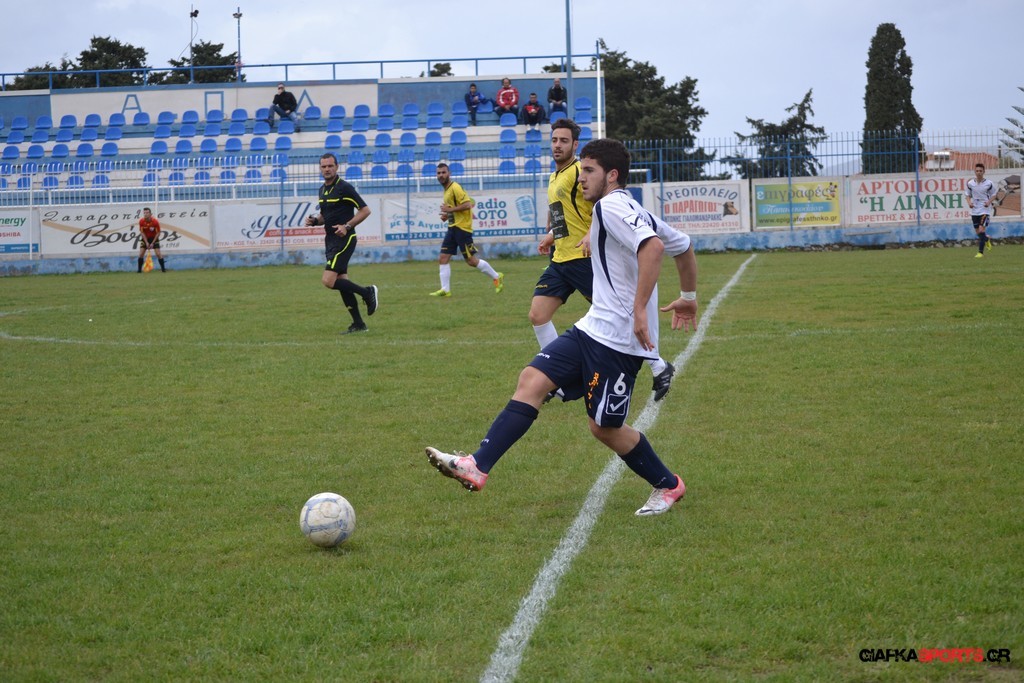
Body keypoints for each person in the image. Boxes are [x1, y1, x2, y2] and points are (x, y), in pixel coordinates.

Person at [427, 137, 697, 516]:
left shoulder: (611, 206)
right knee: (532, 380)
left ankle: (668, 485)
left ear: (612, 175)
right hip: (592, 327)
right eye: (581, 170)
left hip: (619, 343)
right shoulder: (625, 207)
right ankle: (477, 465)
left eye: (589, 171)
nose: (581, 178)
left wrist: (640, 309)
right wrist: (688, 296)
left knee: (603, 428)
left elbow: (653, 248)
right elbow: (683, 245)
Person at [532, 118, 676, 403]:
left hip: (584, 258)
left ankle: (659, 366)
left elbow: (601, 205)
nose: (557, 145)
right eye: (554, 140)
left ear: (575, 145)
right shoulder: (554, 176)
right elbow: (563, 215)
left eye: (564, 141)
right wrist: (551, 235)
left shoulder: (581, 172)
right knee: (538, 315)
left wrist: (590, 233)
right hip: (561, 260)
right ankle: (556, 379)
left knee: (621, 314)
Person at [304, 153, 378, 334]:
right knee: (342, 282)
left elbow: (365, 210)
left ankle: (367, 292)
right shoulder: (322, 190)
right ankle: (359, 324)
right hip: (330, 241)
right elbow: (325, 216)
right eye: (324, 166)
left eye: (330, 166)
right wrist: (315, 221)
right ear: (320, 168)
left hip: (345, 240)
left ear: (337, 167)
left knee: (328, 281)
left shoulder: (344, 187)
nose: (327, 169)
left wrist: (347, 226)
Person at [429, 162, 504, 297]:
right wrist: (447, 215)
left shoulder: (455, 187)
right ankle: (445, 290)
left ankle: (496, 276)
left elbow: (468, 205)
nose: (441, 175)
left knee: (471, 261)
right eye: (438, 173)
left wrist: (450, 210)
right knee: (443, 257)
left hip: (462, 229)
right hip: (453, 227)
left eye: (443, 172)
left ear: (449, 173)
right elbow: (455, 209)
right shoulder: (447, 191)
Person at [965, 162, 996, 258]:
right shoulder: (970, 183)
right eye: (977, 171)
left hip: (985, 210)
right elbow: (967, 195)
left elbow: (994, 195)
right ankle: (986, 239)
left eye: (980, 171)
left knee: (982, 230)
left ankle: (980, 253)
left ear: (984, 172)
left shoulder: (989, 183)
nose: (979, 172)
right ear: (975, 172)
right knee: (978, 232)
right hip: (975, 210)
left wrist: (989, 202)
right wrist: (969, 203)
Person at [137, 207, 166, 273]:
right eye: (144, 213)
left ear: (150, 214)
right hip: (145, 238)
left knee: (158, 254)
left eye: (147, 213)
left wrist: (153, 243)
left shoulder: (155, 222)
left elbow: (158, 233)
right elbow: (142, 232)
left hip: (154, 238)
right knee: (141, 254)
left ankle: (163, 270)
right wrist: (146, 242)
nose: (145, 214)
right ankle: (139, 271)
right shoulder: (141, 221)